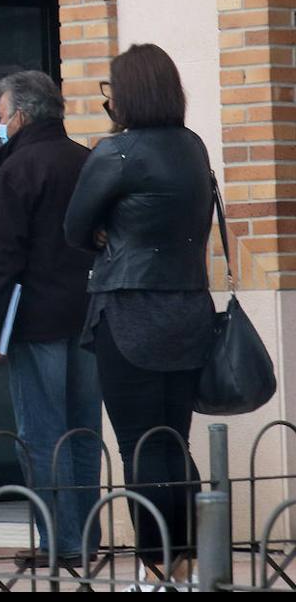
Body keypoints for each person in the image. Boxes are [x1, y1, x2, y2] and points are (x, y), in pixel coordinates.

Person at [65, 44, 214, 587]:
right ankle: (187, 565)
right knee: (175, 441)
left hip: (129, 311)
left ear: (124, 94)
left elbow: (74, 228)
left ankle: (155, 571)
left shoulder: (117, 152)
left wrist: (107, 230)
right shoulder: (193, 147)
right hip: (190, 308)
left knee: (139, 446)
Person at [0, 71, 101, 568]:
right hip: (89, 312)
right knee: (83, 428)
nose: (0, 123)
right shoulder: (88, 161)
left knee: (43, 431)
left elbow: (2, 256)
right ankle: (87, 539)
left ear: (22, 115)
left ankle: (60, 542)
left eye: (2, 115)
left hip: (35, 318)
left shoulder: (19, 170)